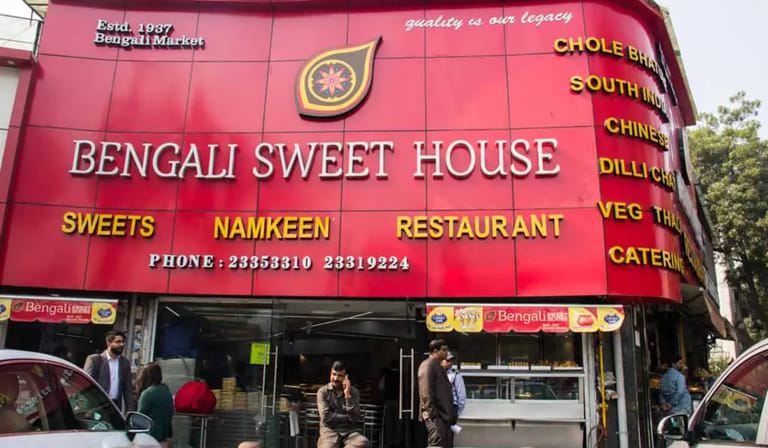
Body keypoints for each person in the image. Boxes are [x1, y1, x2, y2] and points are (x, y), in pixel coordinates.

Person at [316, 360, 369, 448]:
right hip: (329, 432)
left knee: (363, 442)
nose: (336, 378)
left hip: (349, 432)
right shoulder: (323, 392)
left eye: (340, 375)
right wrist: (347, 418)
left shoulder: (354, 392)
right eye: (334, 374)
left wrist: (347, 395)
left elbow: (355, 418)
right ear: (330, 373)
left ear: (346, 377)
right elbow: (326, 417)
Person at [83, 330, 136, 412]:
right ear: (108, 343)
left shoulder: (124, 363)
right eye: (118, 342)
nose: (121, 344)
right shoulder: (95, 360)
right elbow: (86, 385)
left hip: (115, 406)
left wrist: (130, 411)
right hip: (98, 406)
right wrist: (88, 409)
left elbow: (128, 390)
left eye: (122, 342)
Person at [418, 339, 456, 448]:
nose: (446, 353)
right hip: (436, 417)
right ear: (435, 351)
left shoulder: (437, 365)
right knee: (437, 444)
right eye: (443, 350)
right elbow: (426, 393)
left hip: (443, 417)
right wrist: (434, 416)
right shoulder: (428, 365)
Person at [136, 363, 174, 448]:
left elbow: (139, 419)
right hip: (164, 438)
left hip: (150, 437)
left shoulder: (148, 394)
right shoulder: (166, 392)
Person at [442, 352, 466, 418]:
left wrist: (456, 413)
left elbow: (461, 396)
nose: (450, 363)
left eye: (451, 360)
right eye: (448, 361)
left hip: (451, 408)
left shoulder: (455, 375)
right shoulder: (435, 373)